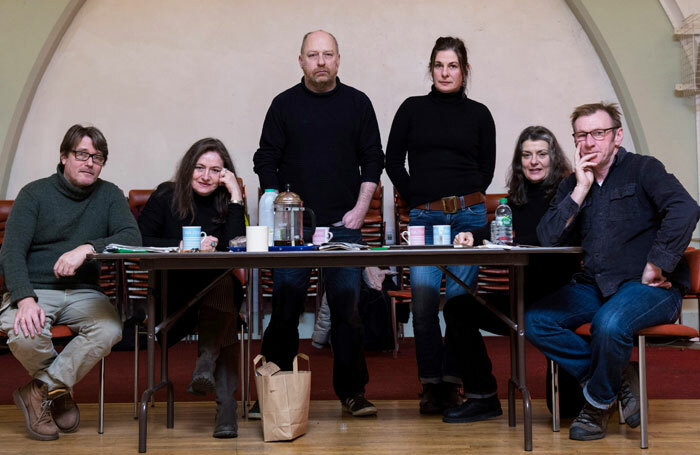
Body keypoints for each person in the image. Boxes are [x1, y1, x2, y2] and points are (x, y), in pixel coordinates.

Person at [526, 102, 700, 441]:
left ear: (617, 136)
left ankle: (595, 406)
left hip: (649, 288)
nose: (589, 142)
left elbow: (686, 208)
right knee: (536, 320)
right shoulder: (572, 184)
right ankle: (618, 378)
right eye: (581, 135)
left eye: (598, 133)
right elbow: (547, 237)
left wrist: (658, 262)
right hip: (595, 286)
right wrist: (579, 189)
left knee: (609, 322)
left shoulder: (643, 169)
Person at [253, 30, 384, 417]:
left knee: (347, 307)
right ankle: (274, 391)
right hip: (293, 227)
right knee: (287, 305)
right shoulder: (283, 105)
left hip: (344, 223)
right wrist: (280, 205)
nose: (321, 61)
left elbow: (373, 159)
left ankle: (352, 393)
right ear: (301, 61)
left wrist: (361, 208)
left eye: (328, 54)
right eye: (313, 55)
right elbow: (265, 158)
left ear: (339, 59)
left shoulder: (358, 104)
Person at [0, 124, 141, 440]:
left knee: (110, 329)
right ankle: (56, 393)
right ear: (63, 156)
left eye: (98, 157)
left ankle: (37, 392)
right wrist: (24, 299)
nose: (90, 162)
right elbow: (10, 252)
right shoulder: (34, 194)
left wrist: (87, 248)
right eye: (82, 154)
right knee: (24, 334)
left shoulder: (109, 195)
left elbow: (132, 237)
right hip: (35, 289)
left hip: (84, 292)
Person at [385, 36, 496, 414]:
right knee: (424, 303)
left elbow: (487, 169)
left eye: (453, 66)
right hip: (425, 218)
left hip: (468, 215)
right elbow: (393, 160)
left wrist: (464, 198)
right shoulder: (412, 109)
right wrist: (416, 195)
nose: (445, 72)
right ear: (430, 69)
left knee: (460, 305)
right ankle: (431, 384)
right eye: (439, 65)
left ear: (464, 71)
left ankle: (453, 381)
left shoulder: (480, 113)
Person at [443, 125, 580, 423]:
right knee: (457, 308)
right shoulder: (517, 198)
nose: (534, 161)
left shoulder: (569, 194)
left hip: (561, 304)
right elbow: (500, 229)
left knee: (565, 411)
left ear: (554, 157)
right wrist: (472, 234)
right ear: (519, 161)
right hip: (523, 300)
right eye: (526, 155)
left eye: (542, 154)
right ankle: (482, 397)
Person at [137, 137, 245, 438]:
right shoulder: (166, 195)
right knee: (226, 307)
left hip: (214, 292)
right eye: (199, 167)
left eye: (215, 170)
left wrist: (236, 194)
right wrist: (179, 247)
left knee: (222, 283)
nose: (206, 176)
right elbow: (138, 240)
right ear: (188, 168)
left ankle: (207, 371)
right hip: (173, 295)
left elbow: (237, 248)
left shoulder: (226, 201)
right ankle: (225, 407)